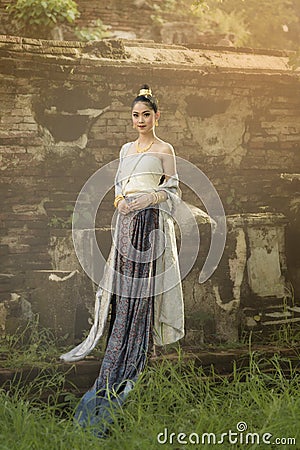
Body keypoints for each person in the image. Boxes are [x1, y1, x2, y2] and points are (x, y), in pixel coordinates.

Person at [60, 84, 184, 437]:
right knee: (121, 291)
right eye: (135, 115)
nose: (140, 120)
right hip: (127, 223)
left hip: (150, 223)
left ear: (157, 116)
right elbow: (117, 187)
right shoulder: (126, 148)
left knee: (143, 292)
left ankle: (136, 355)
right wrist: (121, 203)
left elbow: (173, 190)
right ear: (131, 118)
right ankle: (114, 357)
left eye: (146, 114)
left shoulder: (165, 149)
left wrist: (147, 200)